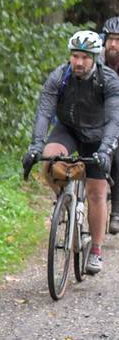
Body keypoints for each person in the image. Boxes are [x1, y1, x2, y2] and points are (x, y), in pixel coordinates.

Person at [22, 29, 119, 274]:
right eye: (75, 56)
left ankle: (95, 249)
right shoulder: (59, 76)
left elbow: (114, 119)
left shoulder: (107, 79)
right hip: (68, 129)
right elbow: (44, 112)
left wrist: (106, 150)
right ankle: (64, 199)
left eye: (85, 57)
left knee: (96, 192)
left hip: (97, 135)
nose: (78, 62)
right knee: (49, 159)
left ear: (95, 58)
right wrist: (35, 146)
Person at [101, 16, 119, 234]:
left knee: (117, 157)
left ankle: (116, 211)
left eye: (117, 40)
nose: (113, 44)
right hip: (98, 113)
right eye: (110, 40)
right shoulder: (96, 59)